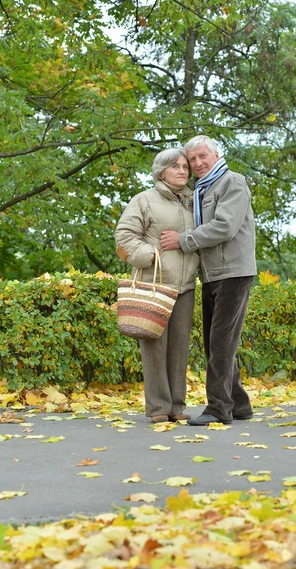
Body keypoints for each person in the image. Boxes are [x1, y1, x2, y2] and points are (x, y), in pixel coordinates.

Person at [160, 135, 256, 426]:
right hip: (212, 274)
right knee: (216, 345)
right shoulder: (201, 189)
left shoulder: (232, 183)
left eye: (203, 156)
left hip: (233, 273)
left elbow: (225, 226)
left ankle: (218, 408)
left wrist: (183, 240)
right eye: (192, 160)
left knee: (221, 344)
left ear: (216, 155)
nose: (198, 163)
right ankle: (239, 404)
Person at [115, 148, 199, 423]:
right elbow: (124, 236)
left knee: (179, 347)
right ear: (160, 171)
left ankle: (177, 405)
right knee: (154, 347)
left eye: (185, 166)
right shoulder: (144, 200)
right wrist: (151, 255)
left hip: (185, 285)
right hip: (154, 285)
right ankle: (158, 408)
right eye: (175, 166)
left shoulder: (192, 201)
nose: (183, 170)